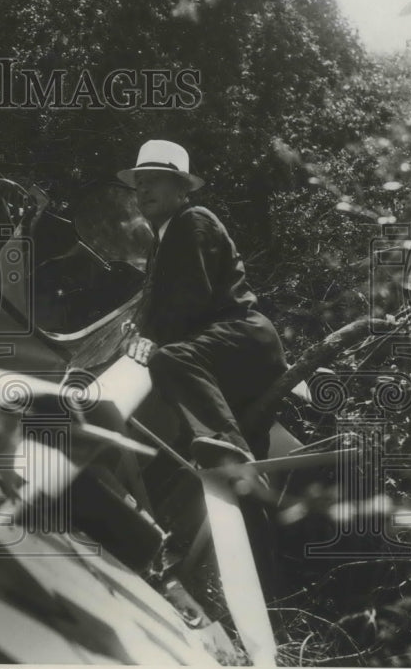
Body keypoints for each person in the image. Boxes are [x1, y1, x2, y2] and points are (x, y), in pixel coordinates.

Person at [116, 140, 288, 467]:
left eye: (154, 179)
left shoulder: (193, 221)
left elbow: (190, 298)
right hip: (220, 356)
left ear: (182, 188)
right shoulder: (162, 241)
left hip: (241, 339)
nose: (144, 189)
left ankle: (229, 447)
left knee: (170, 359)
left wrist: (153, 341)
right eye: (139, 182)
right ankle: (246, 480)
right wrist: (139, 333)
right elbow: (165, 304)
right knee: (226, 471)